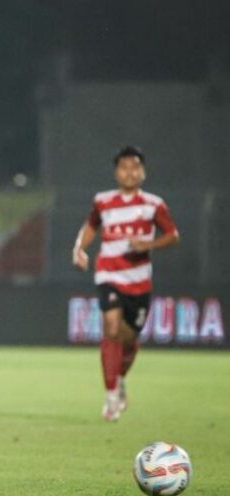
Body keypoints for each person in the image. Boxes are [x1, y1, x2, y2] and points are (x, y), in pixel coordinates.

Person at [72, 146, 180, 421]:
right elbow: (91, 226)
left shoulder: (154, 204)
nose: (129, 173)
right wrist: (80, 248)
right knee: (111, 328)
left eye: (135, 168)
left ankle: (119, 378)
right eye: (124, 167)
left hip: (139, 282)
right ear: (116, 172)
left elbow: (173, 235)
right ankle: (111, 398)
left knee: (129, 340)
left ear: (143, 172)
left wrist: (148, 244)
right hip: (109, 275)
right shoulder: (103, 201)